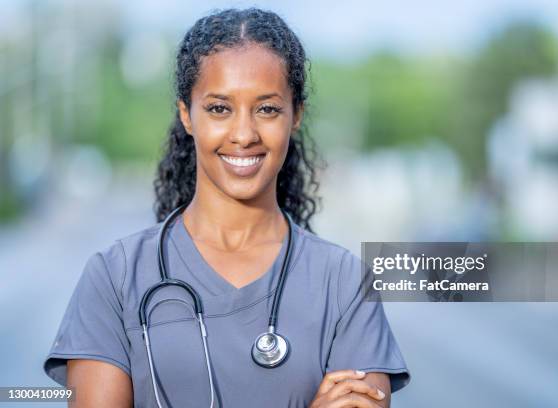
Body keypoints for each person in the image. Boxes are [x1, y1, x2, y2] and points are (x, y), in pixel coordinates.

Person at [43, 8, 409, 407]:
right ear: (187, 114)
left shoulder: (345, 284)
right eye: (219, 108)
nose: (243, 134)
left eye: (267, 109)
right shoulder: (114, 278)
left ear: (296, 115)